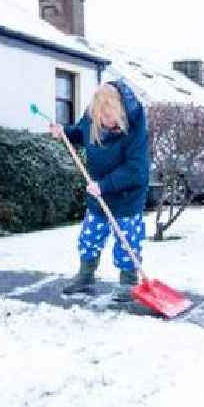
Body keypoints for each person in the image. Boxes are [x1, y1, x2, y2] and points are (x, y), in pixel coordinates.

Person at [50, 79, 149, 301]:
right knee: (90, 237)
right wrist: (64, 131)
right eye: (101, 117)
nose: (105, 122)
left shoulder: (136, 128)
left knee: (127, 241)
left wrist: (104, 186)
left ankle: (128, 282)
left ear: (121, 111)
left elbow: (136, 170)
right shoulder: (93, 117)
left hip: (126, 198)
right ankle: (85, 276)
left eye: (110, 117)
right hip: (98, 194)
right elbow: (81, 133)